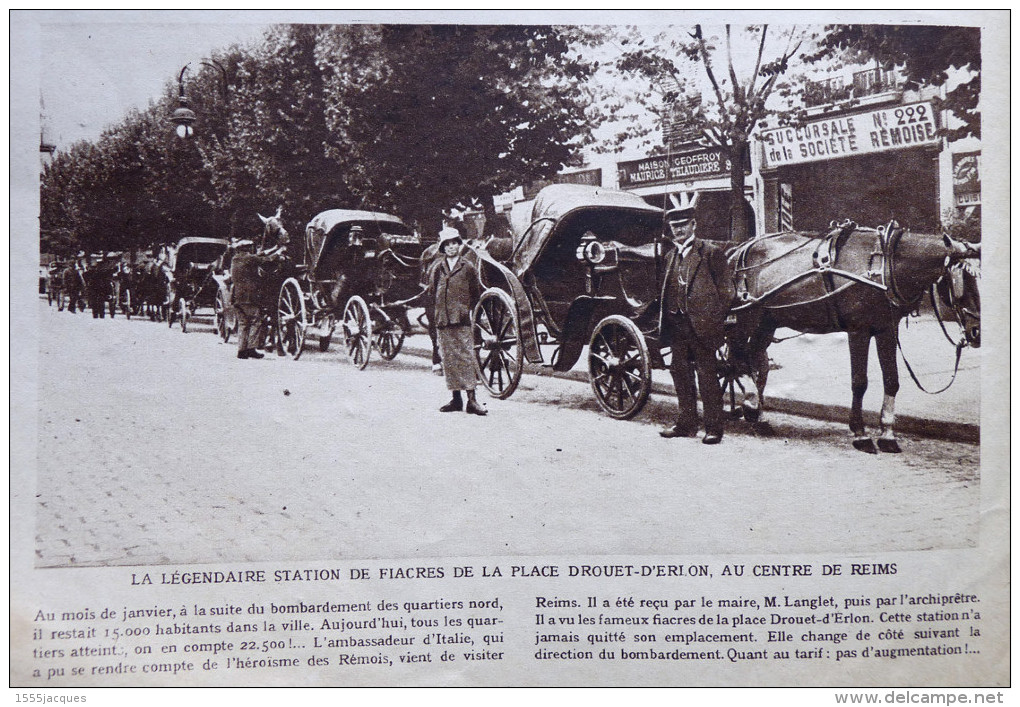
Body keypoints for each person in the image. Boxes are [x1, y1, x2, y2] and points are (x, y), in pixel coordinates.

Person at [429, 225, 487, 416]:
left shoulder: (467, 267)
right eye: (448, 244)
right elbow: (432, 292)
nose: (452, 247)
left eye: (455, 243)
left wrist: (467, 311)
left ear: (459, 245)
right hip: (443, 319)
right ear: (443, 248)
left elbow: (475, 293)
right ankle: (456, 399)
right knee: (448, 359)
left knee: (465, 357)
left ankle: (472, 400)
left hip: (461, 319)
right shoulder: (438, 268)